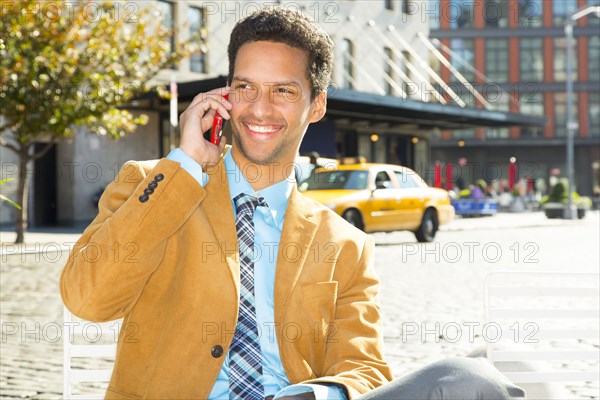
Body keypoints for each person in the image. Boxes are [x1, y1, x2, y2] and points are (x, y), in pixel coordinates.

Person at [60, 8, 525, 400]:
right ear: (225, 95)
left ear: (316, 105)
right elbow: (88, 299)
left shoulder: (346, 244)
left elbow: (363, 369)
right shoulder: (156, 185)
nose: (259, 109)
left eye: (283, 91)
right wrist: (183, 164)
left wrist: (319, 395)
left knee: (473, 378)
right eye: (246, 87)